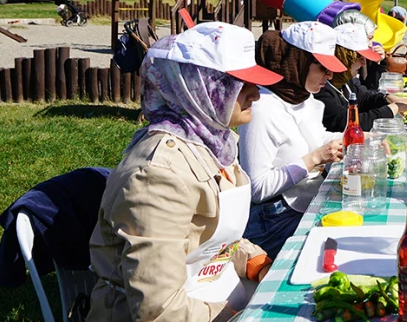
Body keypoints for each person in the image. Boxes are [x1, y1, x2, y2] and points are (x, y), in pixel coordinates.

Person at [88, 22, 283, 321]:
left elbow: (203, 238)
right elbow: (160, 311)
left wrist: (252, 259)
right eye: (242, 84)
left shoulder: (216, 143)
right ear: (202, 86)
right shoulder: (157, 176)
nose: (256, 95)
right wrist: (236, 312)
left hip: (217, 299)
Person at [238, 22, 348, 259]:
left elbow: (316, 139)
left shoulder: (301, 95)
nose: (329, 76)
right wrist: (314, 159)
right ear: (297, 62)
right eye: (322, 68)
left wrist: (354, 140)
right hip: (273, 219)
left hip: (305, 203)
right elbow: (257, 189)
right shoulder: (263, 108)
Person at [316, 21, 407, 133]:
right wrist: (395, 107)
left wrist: (387, 98)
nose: (363, 63)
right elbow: (345, 124)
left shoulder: (344, 80)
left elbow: (364, 98)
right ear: (345, 58)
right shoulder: (321, 87)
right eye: (359, 58)